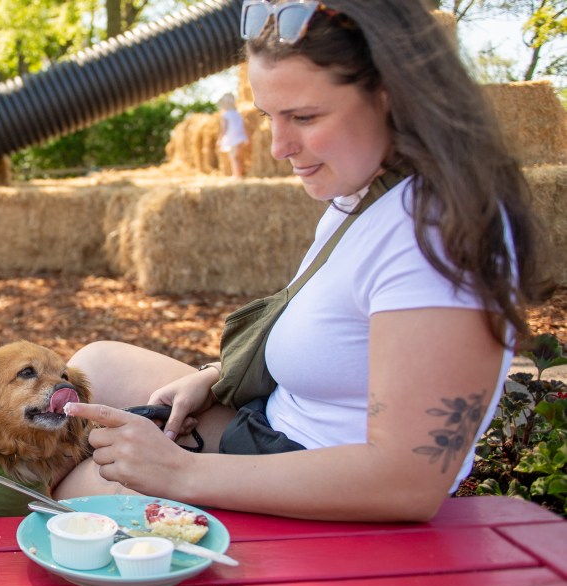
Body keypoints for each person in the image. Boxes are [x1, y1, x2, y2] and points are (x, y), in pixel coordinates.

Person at [55, 0, 547, 523]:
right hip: (274, 430)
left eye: (304, 117)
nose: (278, 147)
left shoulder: (439, 236)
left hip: (325, 491)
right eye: (268, 116)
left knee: (58, 500)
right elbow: (347, 344)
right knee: (95, 367)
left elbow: (409, 481)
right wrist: (216, 375)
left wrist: (178, 471)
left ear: (393, 95)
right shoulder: (368, 194)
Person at [216, 92, 249, 178]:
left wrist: (220, 139)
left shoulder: (225, 114)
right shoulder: (237, 114)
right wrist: (246, 137)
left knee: (234, 157)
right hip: (240, 136)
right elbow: (243, 126)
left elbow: (224, 129)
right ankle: (239, 174)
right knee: (238, 157)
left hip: (232, 137)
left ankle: (236, 175)